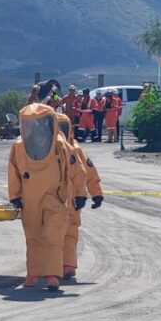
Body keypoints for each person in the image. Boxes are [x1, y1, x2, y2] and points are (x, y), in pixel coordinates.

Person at [8, 103, 71, 291]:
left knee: (53, 237)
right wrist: (15, 195)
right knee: (33, 237)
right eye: (31, 123)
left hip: (54, 197)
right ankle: (33, 274)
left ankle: (52, 275)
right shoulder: (19, 145)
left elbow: (73, 168)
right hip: (30, 199)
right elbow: (13, 171)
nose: (36, 126)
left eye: (40, 122)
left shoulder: (59, 144)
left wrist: (78, 194)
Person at [55, 111, 103, 281]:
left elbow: (88, 172)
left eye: (61, 128)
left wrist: (95, 193)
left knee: (68, 232)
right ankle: (48, 266)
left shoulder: (75, 149)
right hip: (51, 198)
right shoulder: (42, 150)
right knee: (49, 233)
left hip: (71, 200)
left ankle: (66, 266)